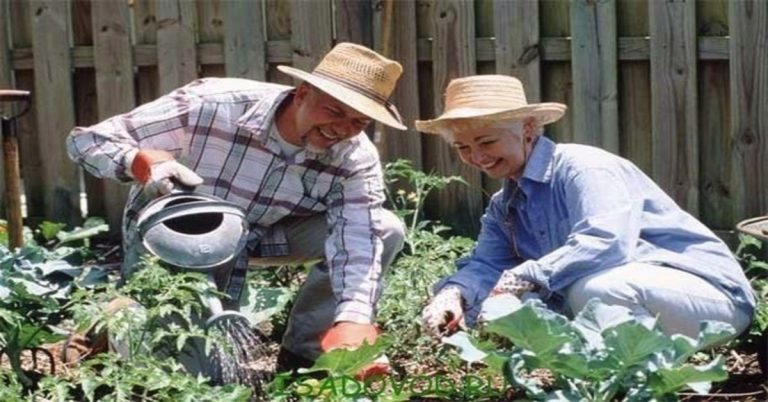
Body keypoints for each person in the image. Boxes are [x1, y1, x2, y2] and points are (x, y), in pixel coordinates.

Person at [66, 42, 406, 376]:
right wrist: (138, 162)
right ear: (302, 94)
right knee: (184, 367)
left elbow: (358, 239)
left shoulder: (354, 157)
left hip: (265, 234)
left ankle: (306, 355)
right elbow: (87, 141)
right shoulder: (212, 105)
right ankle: (107, 322)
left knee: (385, 228)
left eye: (358, 122)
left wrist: (353, 320)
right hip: (175, 240)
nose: (342, 129)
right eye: (334, 112)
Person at [418, 74, 755, 341]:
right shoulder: (503, 204)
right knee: (499, 308)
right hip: (634, 301)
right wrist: (452, 295)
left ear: (529, 129)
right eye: (463, 147)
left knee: (594, 290)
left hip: (713, 301)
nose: (477, 157)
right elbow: (487, 264)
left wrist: (525, 275)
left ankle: (637, 380)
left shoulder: (584, 168)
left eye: (487, 141)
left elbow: (607, 244)